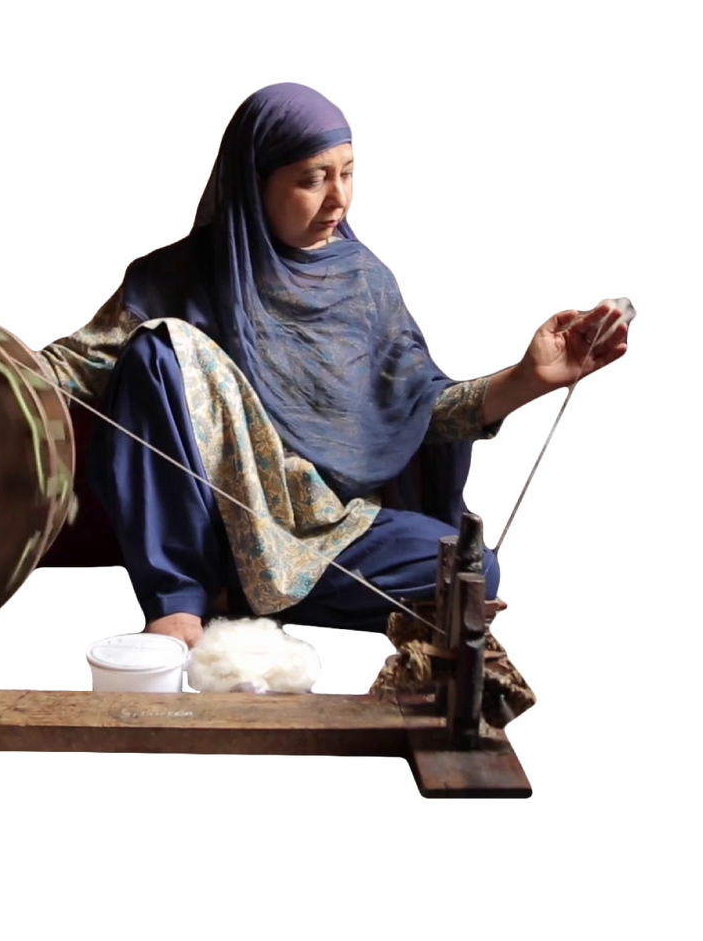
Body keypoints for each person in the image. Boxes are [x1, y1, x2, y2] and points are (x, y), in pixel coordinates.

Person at [36, 80, 630, 649]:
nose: (339, 198)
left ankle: (246, 599)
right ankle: (180, 603)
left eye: (348, 174)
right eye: (312, 179)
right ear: (254, 182)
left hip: (323, 533)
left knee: (474, 573)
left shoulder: (366, 280)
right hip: (212, 533)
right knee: (157, 347)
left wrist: (528, 379)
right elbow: (60, 371)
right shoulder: (172, 277)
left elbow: (424, 412)